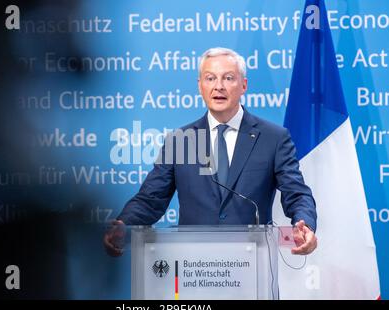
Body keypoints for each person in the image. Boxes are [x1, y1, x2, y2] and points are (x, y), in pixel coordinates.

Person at [104, 47, 317, 257]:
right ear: (200, 86)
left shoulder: (273, 138)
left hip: (252, 268)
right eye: (210, 78)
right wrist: (124, 224)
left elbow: (296, 193)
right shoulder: (180, 140)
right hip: (193, 269)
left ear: (244, 85)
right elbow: (150, 199)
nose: (219, 87)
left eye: (228, 78)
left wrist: (304, 224)